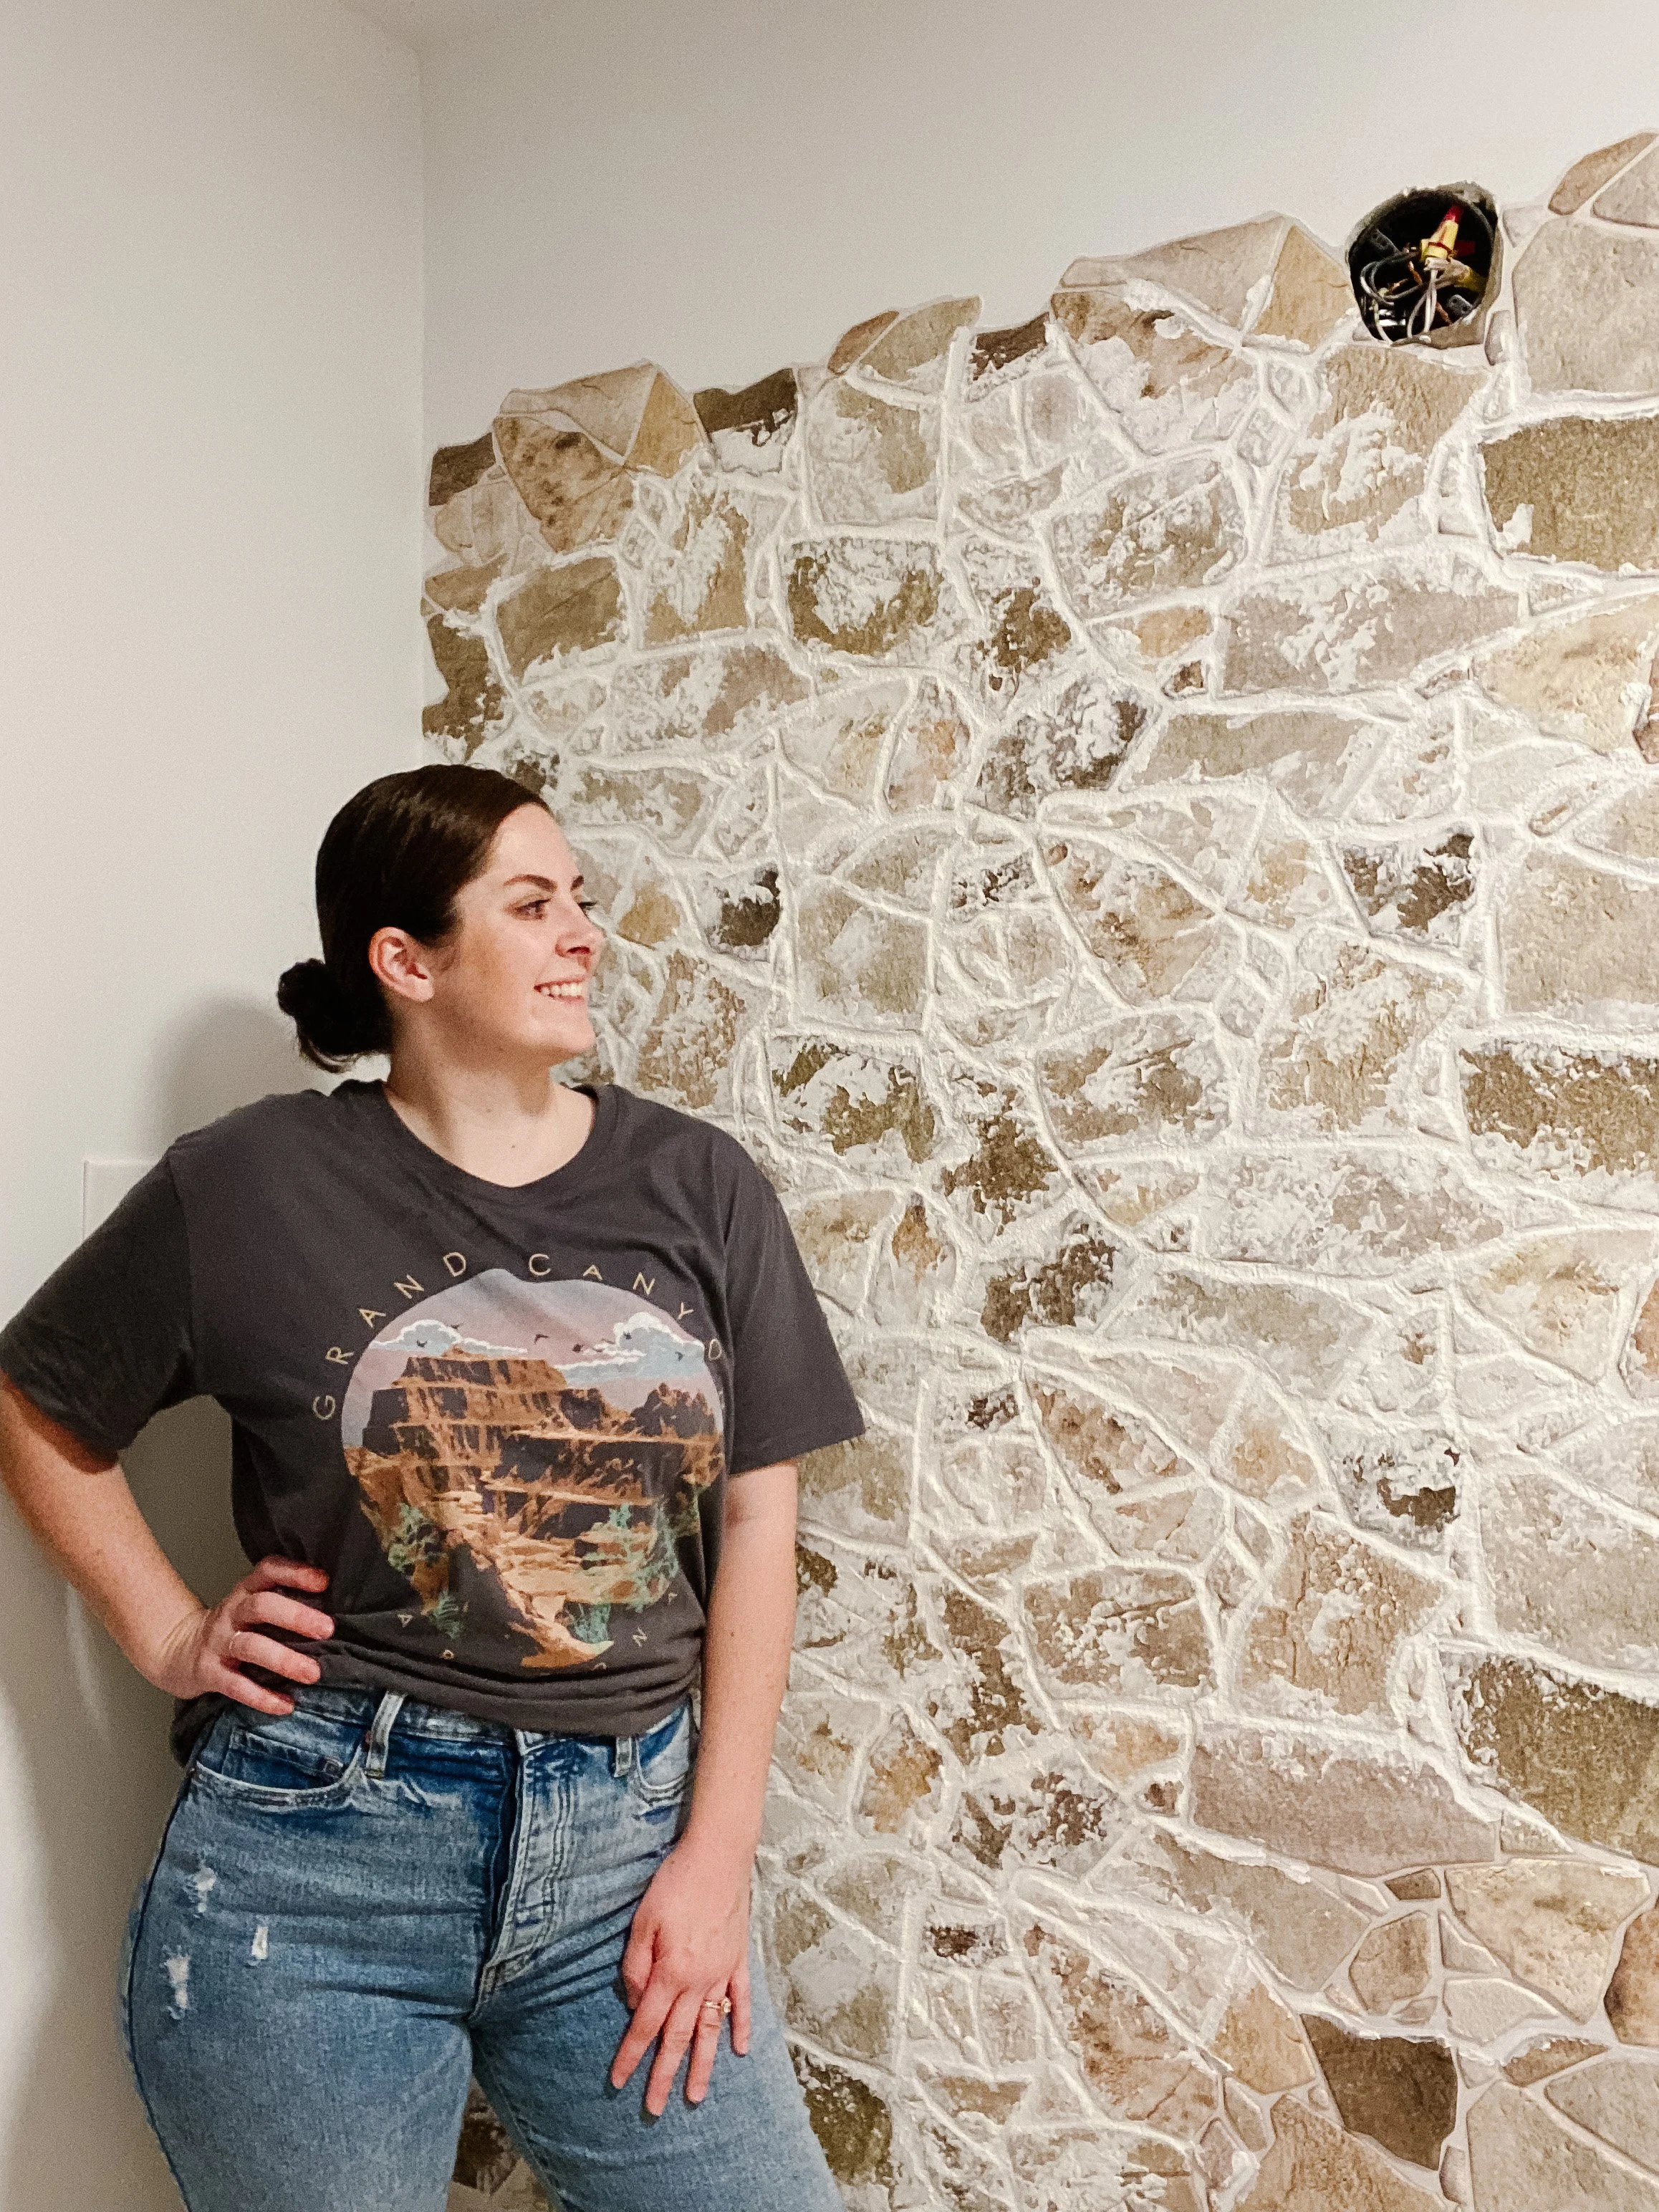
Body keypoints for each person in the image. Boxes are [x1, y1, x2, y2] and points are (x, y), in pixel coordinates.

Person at [0, 764, 864, 2212]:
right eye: (532, 904)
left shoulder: (700, 1184)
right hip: (315, 1858)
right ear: (404, 960)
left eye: (580, 899)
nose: (583, 931)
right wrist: (163, 1631)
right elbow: (38, 1400)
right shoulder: (251, 1183)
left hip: (626, 1851)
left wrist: (719, 1854)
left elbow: (759, 1518)